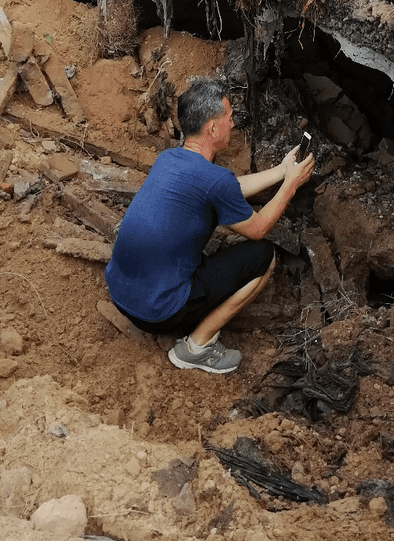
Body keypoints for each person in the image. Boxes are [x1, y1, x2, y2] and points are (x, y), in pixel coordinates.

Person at [104, 77, 314, 374]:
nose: (233, 123)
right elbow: (258, 229)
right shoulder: (214, 180)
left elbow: (227, 189)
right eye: (229, 117)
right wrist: (291, 186)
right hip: (158, 312)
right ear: (212, 128)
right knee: (264, 256)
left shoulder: (169, 160)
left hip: (121, 295)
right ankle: (196, 347)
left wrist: (281, 171)